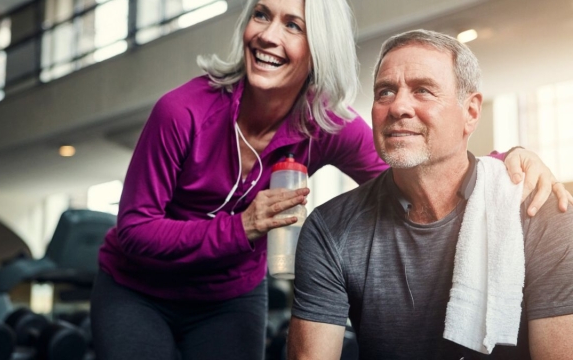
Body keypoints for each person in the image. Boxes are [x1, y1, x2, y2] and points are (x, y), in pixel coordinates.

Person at [89, 0, 571, 357]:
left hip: (228, 295)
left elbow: (418, 163)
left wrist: (509, 161)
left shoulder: (324, 124)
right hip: (139, 289)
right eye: (261, 15)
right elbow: (132, 230)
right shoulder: (182, 111)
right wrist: (241, 228)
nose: (267, 35)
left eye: (292, 25)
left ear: (317, 49)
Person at [287, 29, 573, 360]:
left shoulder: (539, 211)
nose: (398, 107)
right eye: (385, 92)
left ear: (471, 113)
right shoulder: (329, 228)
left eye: (423, 90)